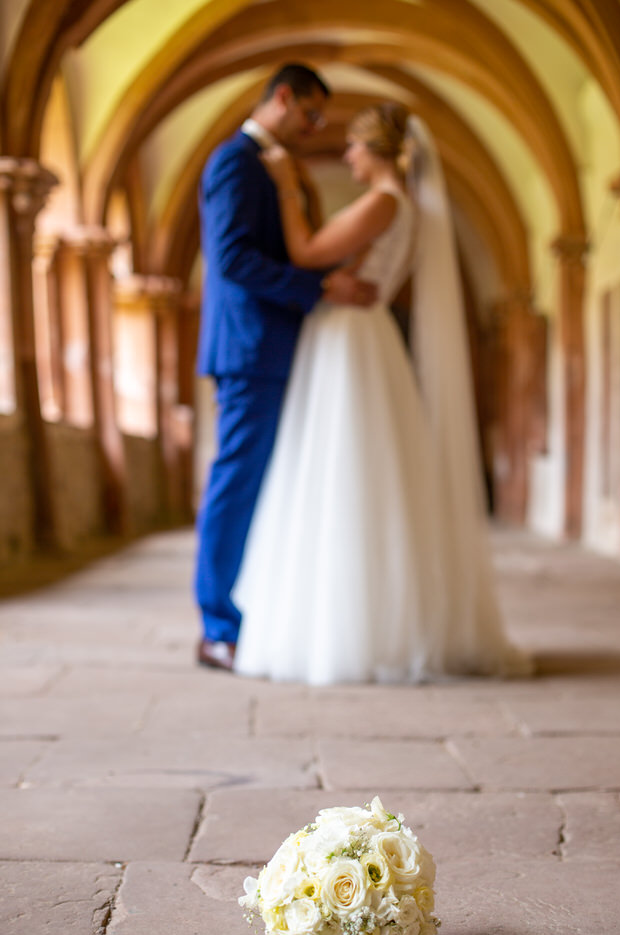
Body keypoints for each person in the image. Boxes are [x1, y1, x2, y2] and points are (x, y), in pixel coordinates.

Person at [232, 101, 532, 684]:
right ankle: (373, 621)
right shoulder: (411, 209)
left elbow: (307, 255)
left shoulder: (385, 202)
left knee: (347, 475)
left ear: (376, 151)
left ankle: (355, 632)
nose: (347, 155)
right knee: (367, 476)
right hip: (364, 339)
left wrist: (289, 188)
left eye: (353, 146)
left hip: (352, 342)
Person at [194, 65, 377, 671]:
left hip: (275, 345)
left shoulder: (270, 165)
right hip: (249, 348)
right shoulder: (235, 161)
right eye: (312, 114)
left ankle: (249, 613)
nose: (315, 127)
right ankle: (218, 627)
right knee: (236, 483)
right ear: (283, 97)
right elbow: (233, 260)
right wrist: (319, 286)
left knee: (265, 484)